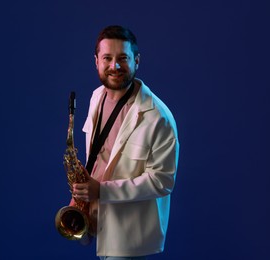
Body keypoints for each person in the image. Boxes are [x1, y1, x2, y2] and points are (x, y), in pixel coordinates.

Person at [71, 25, 180, 260]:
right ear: (96, 61)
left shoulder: (157, 116)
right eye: (107, 58)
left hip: (130, 239)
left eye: (123, 58)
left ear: (137, 60)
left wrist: (100, 190)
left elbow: (162, 181)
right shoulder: (95, 97)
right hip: (97, 223)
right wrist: (81, 194)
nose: (114, 66)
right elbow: (100, 157)